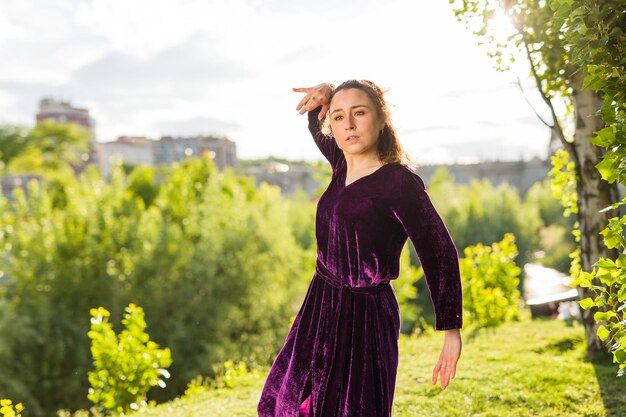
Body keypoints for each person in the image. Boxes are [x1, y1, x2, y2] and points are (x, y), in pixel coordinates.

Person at [257, 80, 463, 417]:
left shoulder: (399, 183)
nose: (348, 124)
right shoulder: (342, 164)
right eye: (338, 117)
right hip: (320, 303)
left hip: (365, 317)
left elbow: (439, 252)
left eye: (359, 113)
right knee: (289, 401)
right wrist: (324, 94)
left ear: (381, 119)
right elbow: (317, 121)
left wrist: (450, 330)